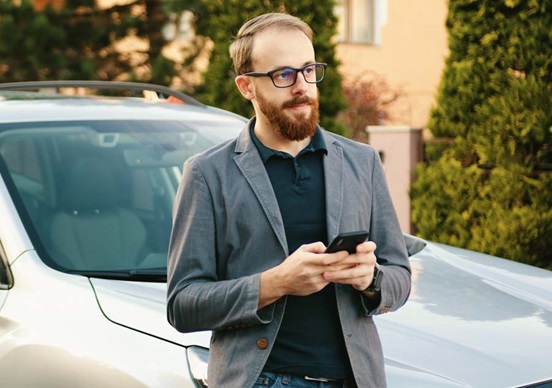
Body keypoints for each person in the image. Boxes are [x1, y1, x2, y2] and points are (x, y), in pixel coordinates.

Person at [167, 12, 411, 388]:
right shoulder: (207, 174)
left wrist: (371, 279)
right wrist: (275, 283)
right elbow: (183, 304)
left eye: (309, 70)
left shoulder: (362, 162)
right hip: (261, 380)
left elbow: (400, 277)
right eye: (283, 75)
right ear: (247, 87)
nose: (301, 86)